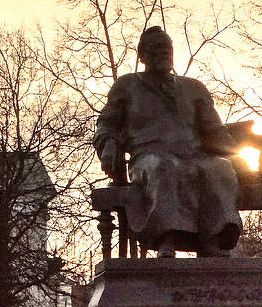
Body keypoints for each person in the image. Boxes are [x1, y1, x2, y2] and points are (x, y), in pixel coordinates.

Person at [94, 26, 241, 257]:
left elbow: (215, 131)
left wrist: (238, 160)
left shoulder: (194, 88)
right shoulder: (127, 85)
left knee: (219, 167)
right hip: (148, 157)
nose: (163, 52)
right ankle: (167, 237)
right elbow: (106, 124)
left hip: (193, 157)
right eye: (156, 48)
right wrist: (108, 144)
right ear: (142, 56)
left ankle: (216, 237)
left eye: (167, 48)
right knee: (163, 167)